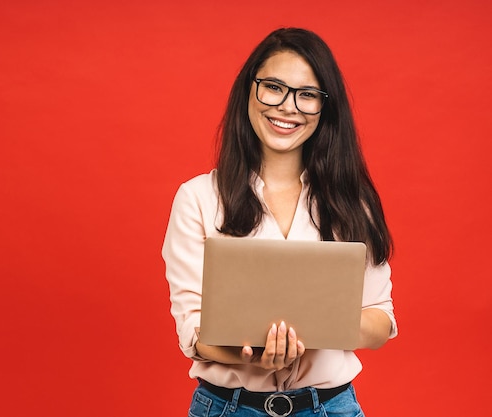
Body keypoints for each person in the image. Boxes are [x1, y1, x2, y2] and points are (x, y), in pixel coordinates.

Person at [161, 27, 397, 417]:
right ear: (249, 91)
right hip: (228, 408)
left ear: (326, 108)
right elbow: (194, 332)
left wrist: (316, 328)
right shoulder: (198, 198)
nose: (288, 107)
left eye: (307, 95)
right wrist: (253, 358)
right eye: (274, 87)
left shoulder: (351, 201)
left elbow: (380, 318)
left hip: (331, 407)